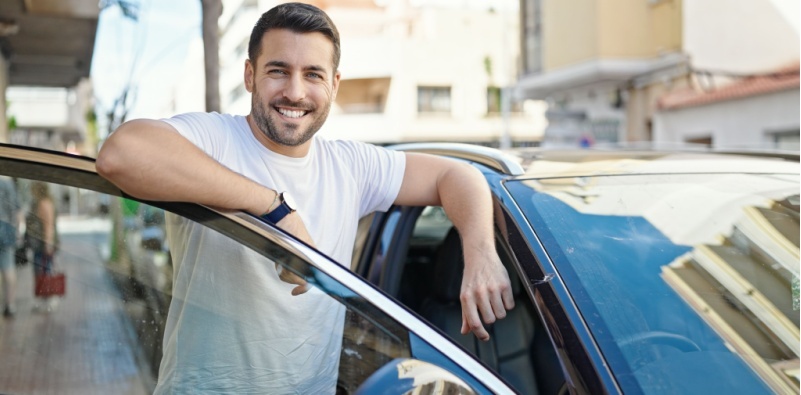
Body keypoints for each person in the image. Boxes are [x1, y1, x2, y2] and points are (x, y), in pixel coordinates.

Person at [96, 2, 514, 393]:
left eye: (313, 74)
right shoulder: (213, 139)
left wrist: (480, 255)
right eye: (278, 70)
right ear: (249, 75)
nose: (295, 92)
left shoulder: (350, 165)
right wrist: (273, 208)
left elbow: (457, 174)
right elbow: (120, 155)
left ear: (333, 84)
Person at [27, 181, 59, 312]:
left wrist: (48, 244)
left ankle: (49, 300)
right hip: (40, 244)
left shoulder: (44, 203)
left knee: (44, 272)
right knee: (42, 271)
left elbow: (48, 226)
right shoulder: (42, 202)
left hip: (43, 245)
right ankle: (44, 300)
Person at [0, 176, 20, 317]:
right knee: (8, 268)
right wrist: (18, 231)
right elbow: (16, 209)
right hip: (6, 229)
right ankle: (10, 305)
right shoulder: (8, 182)